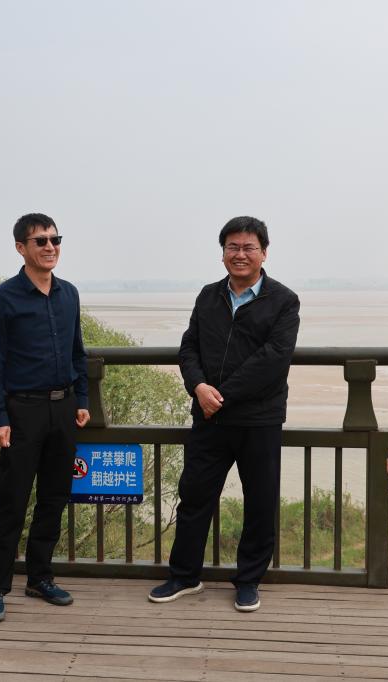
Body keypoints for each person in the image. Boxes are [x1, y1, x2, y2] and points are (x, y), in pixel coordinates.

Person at [148, 216, 299, 612]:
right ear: (223, 253)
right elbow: (189, 348)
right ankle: (184, 575)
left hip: (259, 420)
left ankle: (248, 580)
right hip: (209, 417)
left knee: (260, 502)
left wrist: (222, 395)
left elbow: (274, 359)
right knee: (194, 496)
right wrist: (199, 387)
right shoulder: (208, 296)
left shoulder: (284, 301)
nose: (240, 254)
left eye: (249, 247)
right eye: (233, 247)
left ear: (264, 253)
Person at [0, 213, 90, 623]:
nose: (49, 247)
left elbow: (77, 352)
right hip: (21, 411)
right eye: (40, 240)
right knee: (11, 500)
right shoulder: (3, 298)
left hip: (63, 408)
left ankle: (40, 577)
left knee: (54, 497)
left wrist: (81, 398)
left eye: (55, 239)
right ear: (21, 248)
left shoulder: (68, 294)